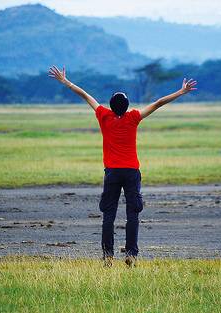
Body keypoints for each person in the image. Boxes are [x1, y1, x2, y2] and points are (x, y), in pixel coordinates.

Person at [48, 66, 197, 266]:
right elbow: (158, 103)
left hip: (111, 172)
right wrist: (181, 92)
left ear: (111, 106)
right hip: (131, 171)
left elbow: (85, 95)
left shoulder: (103, 115)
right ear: (126, 106)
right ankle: (131, 254)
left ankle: (108, 255)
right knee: (132, 214)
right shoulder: (133, 117)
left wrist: (65, 81)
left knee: (108, 215)